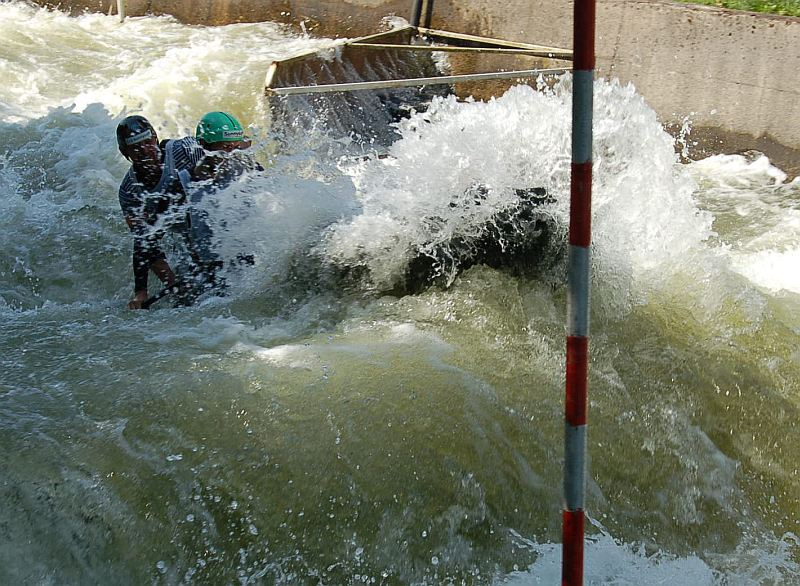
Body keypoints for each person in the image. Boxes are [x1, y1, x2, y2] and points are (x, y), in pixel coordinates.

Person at [116, 114, 206, 309]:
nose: (144, 151)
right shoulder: (130, 191)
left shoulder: (185, 150)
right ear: (126, 153)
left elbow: (223, 172)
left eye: (147, 143)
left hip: (212, 216)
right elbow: (143, 242)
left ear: (155, 139)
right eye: (136, 148)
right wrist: (169, 285)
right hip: (185, 236)